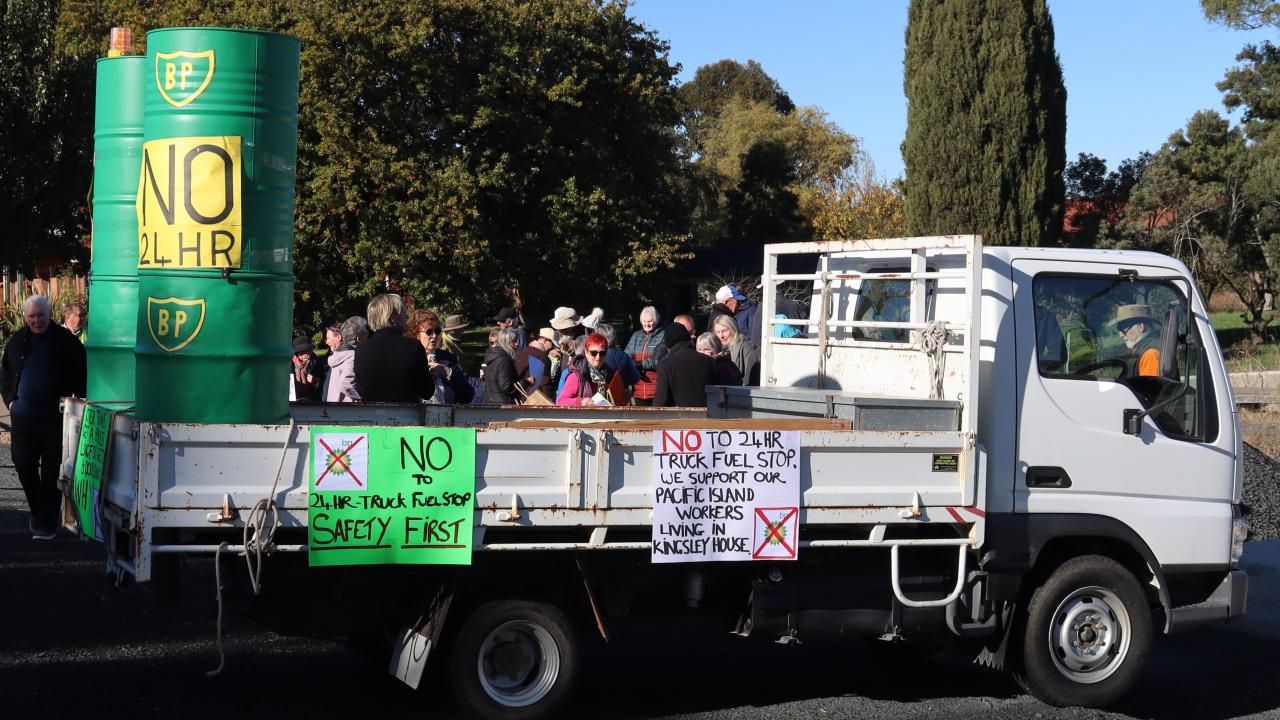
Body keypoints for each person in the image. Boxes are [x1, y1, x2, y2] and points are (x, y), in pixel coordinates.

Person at [1, 295, 87, 540]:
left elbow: (81, 374)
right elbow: (5, 374)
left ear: (49, 314)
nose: (36, 320)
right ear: (26, 317)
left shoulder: (66, 342)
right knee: (23, 464)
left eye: (40, 315)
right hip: (24, 417)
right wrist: (10, 400)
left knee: (51, 472)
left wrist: (77, 401)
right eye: (31, 316)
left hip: (54, 417)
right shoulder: (18, 341)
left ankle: (45, 523)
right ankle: (39, 512)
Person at [354, 294, 434, 403]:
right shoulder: (413, 347)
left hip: (371, 416)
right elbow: (427, 391)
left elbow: (360, 389)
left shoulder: (360, 349)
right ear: (391, 318)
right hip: (406, 416)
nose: (407, 317)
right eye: (404, 313)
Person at [406, 309, 474, 404]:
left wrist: (447, 372)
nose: (434, 336)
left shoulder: (448, 358)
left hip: (447, 417)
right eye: (429, 332)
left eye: (437, 331)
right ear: (415, 334)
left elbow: (467, 397)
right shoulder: (408, 359)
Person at [654, 323, 715, 408]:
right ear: (687, 338)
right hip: (707, 417)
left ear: (668, 343)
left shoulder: (666, 364)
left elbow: (660, 401)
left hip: (678, 418)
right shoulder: (708, 361)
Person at [557, 332, 619, 406]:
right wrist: (581, 402)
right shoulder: (577, 376)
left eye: (602, 353)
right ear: (586, 353)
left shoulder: (608, 374)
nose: (598, 357)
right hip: (583, 416)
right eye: (593, 353)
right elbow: (560, 402)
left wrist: (622, 396)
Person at [625, 306, 666, 406]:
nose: (646, 324)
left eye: (650, 321)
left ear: (656, 320)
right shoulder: (636, 336)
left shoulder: (664, 335)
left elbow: (660, 360)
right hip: (638, 390)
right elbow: (626, 356)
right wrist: (631, 363)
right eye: (644, 321)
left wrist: (641, 364)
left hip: (656, 390)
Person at [1108, 304, 1162, 378]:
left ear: (1140, 327)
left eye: (1123, 328)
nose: (1121, 335)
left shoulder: (1150, 354)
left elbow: (1150, 388)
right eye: (1119, 329)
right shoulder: (1144, 348)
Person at [324, 316, 366, 402]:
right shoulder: (352, 356)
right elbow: (345, 383)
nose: (326, 342)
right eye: (366, 333)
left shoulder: (338, 356)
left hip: (334, 409)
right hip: (346, 411)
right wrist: (361, 397)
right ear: (358, 337)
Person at [712, 314, 756, 386]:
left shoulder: (746, 347)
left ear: (733, 329)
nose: (721, 336)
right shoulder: (718, 349)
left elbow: (750, 376)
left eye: (724, 331)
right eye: (718, 332)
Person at [515, 327, 557, 399]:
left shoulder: (526, 351)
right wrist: (551, 400)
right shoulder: (541, 356)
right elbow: (544, 383)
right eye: (552, 342)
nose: (553, 346)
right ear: (545, 340)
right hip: (535, 399)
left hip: (521, 396)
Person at [483, 327, 521, 404]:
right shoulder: (504, 360)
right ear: (506, 343)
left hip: (492, 403)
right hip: (503, 406)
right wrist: (524, 383)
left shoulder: (494, 357)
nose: (517, 344)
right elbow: (506, 386)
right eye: (513, 341)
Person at [596, 323, 640, 388]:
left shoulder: (593, 355)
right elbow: (635, 378)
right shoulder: (624, 356)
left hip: (597, 394)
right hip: (619, 393)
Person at [289, 335, 325, 401]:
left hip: (312, 402)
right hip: (293, 402)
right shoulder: (289, 363)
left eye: (310, 350)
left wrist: (316, 381)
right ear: (298, 353)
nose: (309, 353)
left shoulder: (316, 362)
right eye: (305, 350)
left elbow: (325, 384)